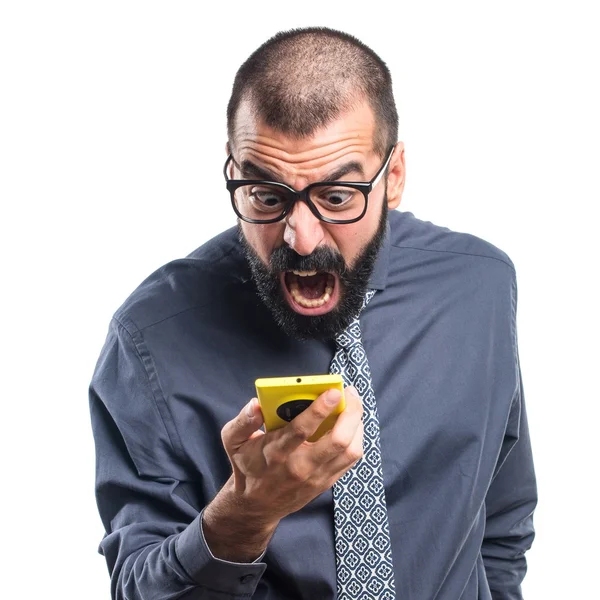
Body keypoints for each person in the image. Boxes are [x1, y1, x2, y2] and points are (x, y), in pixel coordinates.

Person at [89, 27, 537, 600]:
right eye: (267, 196)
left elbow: (501, 518)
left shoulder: (478, 288)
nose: (301, 239)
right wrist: (245, 515)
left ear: (392, 176)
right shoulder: (149, 338)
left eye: (336, 197)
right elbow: (137, 589)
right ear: (233, 174)